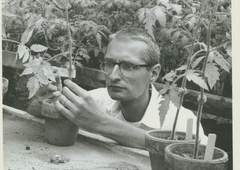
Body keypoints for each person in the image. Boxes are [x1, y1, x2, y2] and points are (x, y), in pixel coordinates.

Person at [45, 25, 206, 149]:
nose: (113, 76)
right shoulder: (95, 101)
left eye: (128, 66)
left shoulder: (180, 121)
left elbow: (198, 158)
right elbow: (41, 115)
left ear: (154, 73)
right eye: (109, 64)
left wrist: (100, 123)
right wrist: (44, 101)